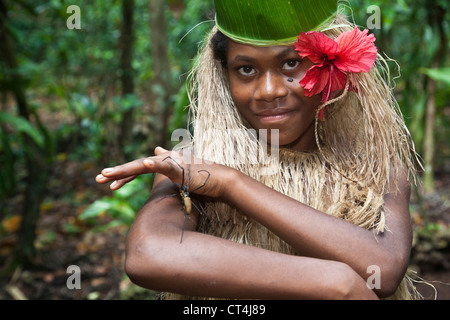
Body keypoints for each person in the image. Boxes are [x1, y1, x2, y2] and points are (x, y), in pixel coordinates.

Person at [96, 0, 421, 300]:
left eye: (291, 63)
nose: (269, 91)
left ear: (331, 65)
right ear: (225, 75)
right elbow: (148, 254)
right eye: (246, 69)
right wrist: (338, 282)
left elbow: (384, 267)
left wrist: (231, 184)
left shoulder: (378, 168)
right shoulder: (195, 164)